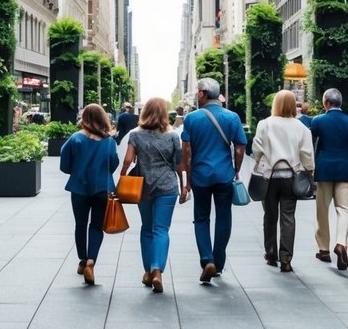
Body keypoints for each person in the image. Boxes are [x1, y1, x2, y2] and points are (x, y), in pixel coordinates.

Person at [181, 77, 246, 283]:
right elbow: (240, 147)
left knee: (201, 218)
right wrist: (236, 170)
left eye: (197, 92)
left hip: (200, 176)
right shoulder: (232, 117)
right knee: (224, 217)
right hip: (224, 175)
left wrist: (188, 180)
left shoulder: (191, 119)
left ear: (203, 93)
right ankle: (218, 262)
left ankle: (207, 259)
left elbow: (187, 153)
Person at [123, 97, 187, 294]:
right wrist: (184, 186)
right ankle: (157, 270)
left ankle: (147, 271)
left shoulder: (135, 134)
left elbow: (127, 160)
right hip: (167, 187)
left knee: (147, 229)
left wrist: (122, 176)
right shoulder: (173, 136)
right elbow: (179, 164)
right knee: (161, 229)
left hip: (143, 186)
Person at [250, 91, 315, 272]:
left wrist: (260, 161)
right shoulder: (301, 127)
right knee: (288, 217)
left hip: (269, 177)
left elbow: (257, 149)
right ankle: (286, 259)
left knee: (269, 216)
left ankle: (270, 253)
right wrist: (309, 170)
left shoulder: (265, 124)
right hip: (291, 177)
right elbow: (307, 154)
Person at [60, 104, 119, 285]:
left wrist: (77, 169)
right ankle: (91, 262)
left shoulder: (75, 139)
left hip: (79, 188)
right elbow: (113, 164)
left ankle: (83, 259)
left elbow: (64, 165)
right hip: (102, 188)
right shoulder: (109, 142)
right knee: (96, 226)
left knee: (80, 224)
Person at [308, 88, 348, 270]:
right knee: (344, 209)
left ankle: (323, 249)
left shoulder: (318, 121)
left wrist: (310, 167)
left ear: (326, 103)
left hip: (323, 170)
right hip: (345, 170)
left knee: (322, 210)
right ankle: (341, 244)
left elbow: (310, 144)